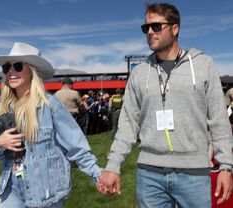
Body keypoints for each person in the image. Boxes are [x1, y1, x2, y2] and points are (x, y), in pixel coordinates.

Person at [97, 3, 233, 207]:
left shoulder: (204, 65)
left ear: (175, 28)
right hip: (149, 174)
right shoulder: (139, 73)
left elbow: (219, 120)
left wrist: (226, 166)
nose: (150, 32)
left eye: (156, 26)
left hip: (194, 174)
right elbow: (127, 124)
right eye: (146, 28)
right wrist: (113, 165)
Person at [0, 42, 101, 208]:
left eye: (17, 66)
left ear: (33, 71)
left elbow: (75, 143)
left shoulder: (50, 105)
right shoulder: (5, 107)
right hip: (12, 188)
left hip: (45, 192)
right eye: (6, 67)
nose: (10, 71)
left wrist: (97, 174)